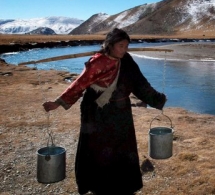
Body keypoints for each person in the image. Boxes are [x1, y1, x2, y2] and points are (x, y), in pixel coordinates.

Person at [43, 28, 167, 195]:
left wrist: (157, 99)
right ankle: (99, 187)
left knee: (123, 149)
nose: (124, 50)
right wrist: (57, 103)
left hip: (121, 113)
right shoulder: (97, 63)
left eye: (126, 46)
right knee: (98, 150)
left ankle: (124, 186)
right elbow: (79, 85)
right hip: (97, 114)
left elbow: (139, 83)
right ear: (110, 45)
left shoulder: (127, 61)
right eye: (120, 46)